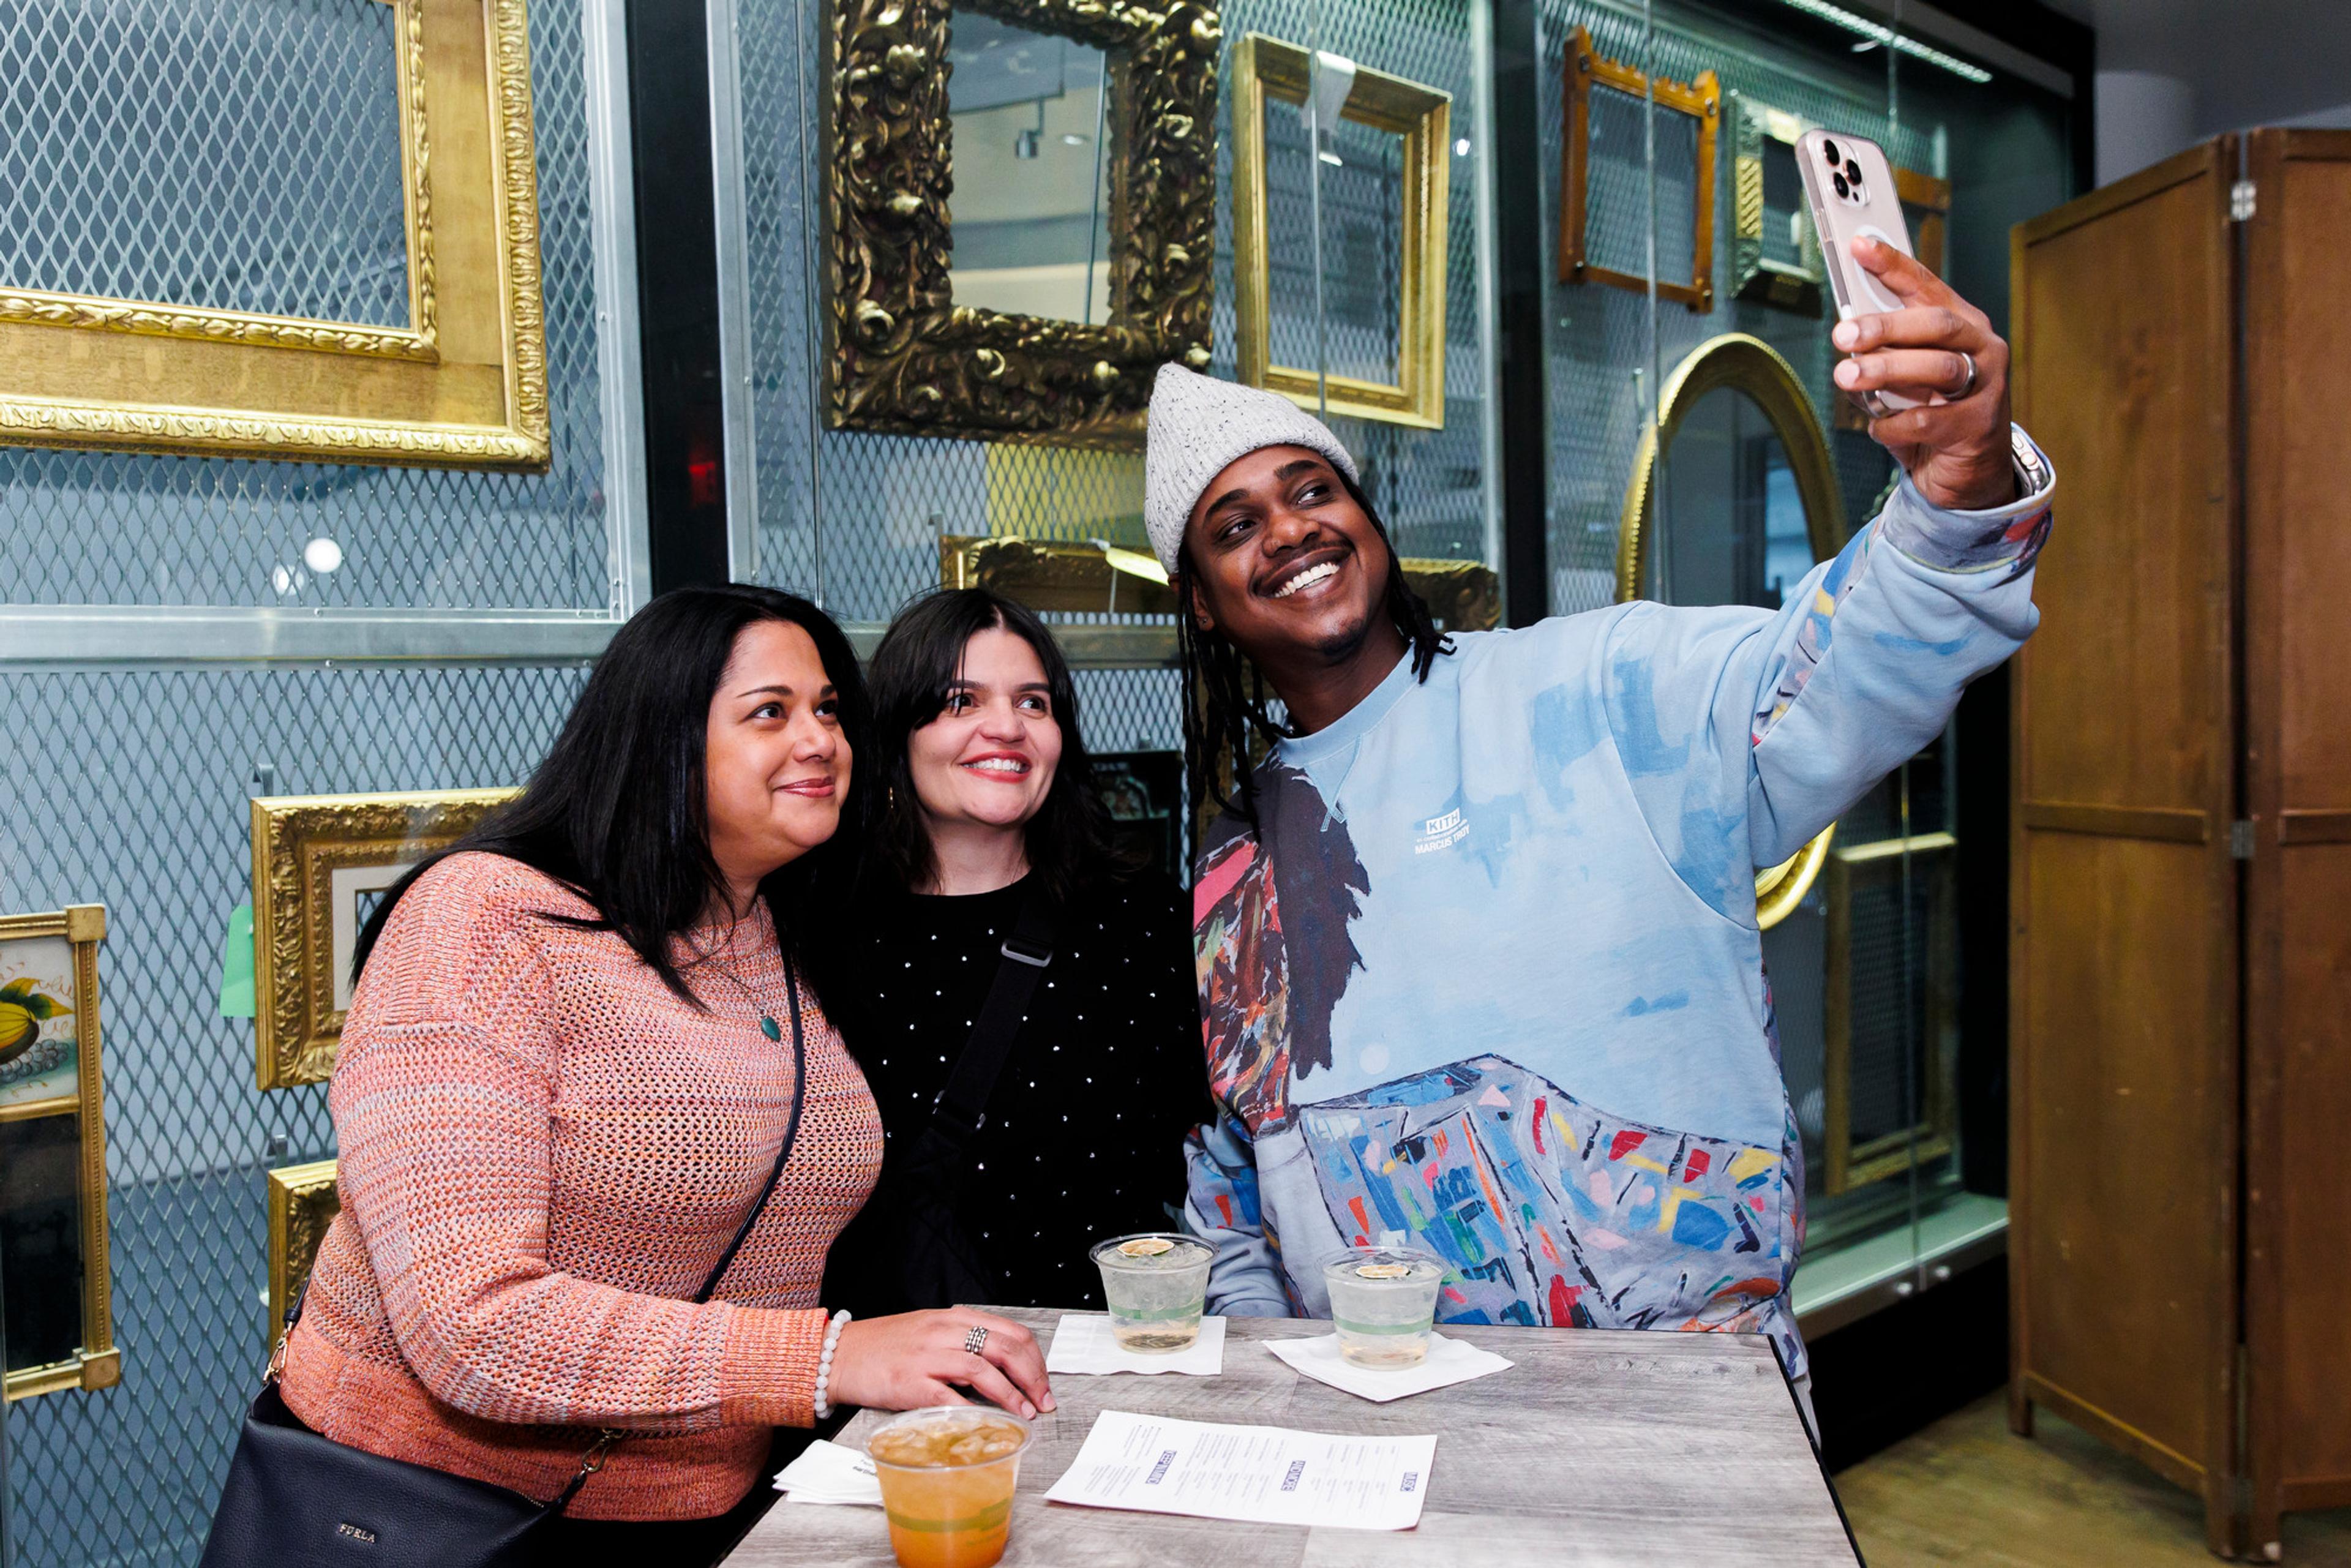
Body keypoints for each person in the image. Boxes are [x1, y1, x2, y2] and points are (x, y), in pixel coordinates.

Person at [1158, 239, 2055, 1418]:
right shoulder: (1235, 867)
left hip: (1688, 1406)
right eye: (1236, 525)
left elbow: (1837, 669)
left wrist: (1955, 492)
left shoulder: (1601, 686)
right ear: (1204, 602)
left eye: (1313, 491)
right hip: (1387, 1427)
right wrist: (1277, 1392)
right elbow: (1236, 1171)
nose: (1289, 530)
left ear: (1368, 520)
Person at [269, 585, 1054, 1561]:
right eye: (770, 712)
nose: (820, 740)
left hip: (700, 1513)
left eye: (827, 710)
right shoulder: (485, 922)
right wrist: (826, 1356)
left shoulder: (788, 933)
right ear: (664, 738)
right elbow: (468, 1325)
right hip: (428, 1511)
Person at [823, 588, 1207, 1316]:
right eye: (961, 701)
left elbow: (1213, 1159)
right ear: (898, 729)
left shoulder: (1144, 921)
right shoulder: (822, 932)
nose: (1006, 726)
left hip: (1113, 1350)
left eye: (1034, 702)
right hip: (895, 1366)